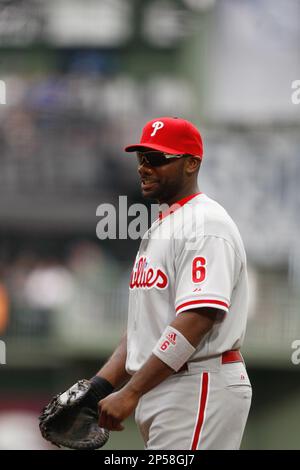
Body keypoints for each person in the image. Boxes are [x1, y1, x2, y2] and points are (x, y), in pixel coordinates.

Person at [95, 116, 252, 450]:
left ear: (191, 163)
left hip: (198, 381)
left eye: (156, 159)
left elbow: (198, 318)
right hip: (170, 384)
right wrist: (98, 386)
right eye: (141, 158)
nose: (143, 167)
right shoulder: (162, 227)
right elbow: (145, 330)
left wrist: (132, 391)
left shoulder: (206, 224)